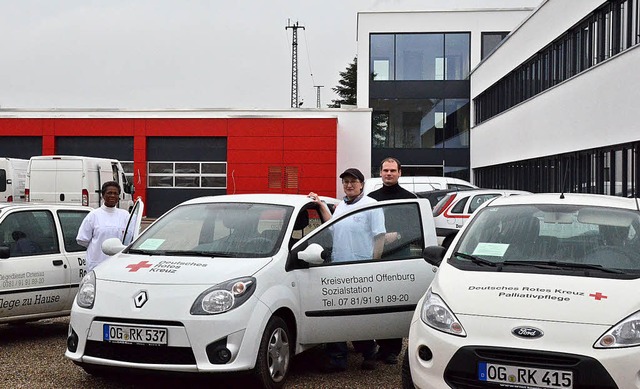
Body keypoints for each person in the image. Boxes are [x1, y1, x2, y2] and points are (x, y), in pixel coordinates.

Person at [309, 167, 386, 372]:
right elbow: (332, 225)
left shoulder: (371, 205)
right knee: (337, 313)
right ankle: (337, 358)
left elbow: (379, 237)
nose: (349, 185)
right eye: (345, 182)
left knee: (359, 315)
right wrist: (320, 204)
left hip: (361, 267)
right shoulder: (342, 205)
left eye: (353, 181)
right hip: (339, 266)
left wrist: (373, 265)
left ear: (361, 184)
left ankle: (369, 352)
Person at [367, 157, 417, 366]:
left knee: (393, 301)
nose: (389, 174)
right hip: (374, 254)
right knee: (375, 302)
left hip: (399, 254)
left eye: (392, 170)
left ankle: (392, 350)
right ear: (380, 172)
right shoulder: (370, 198)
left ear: (400, 172)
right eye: (385, 170)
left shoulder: (409, 198)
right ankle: (379, 345)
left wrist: (396, 236)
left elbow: (416, 229)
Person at [76, 181, 130, 272]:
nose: (112, 196)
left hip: (119, 265)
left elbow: (130, 239)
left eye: (115, 193)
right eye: (109, 193)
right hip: (97, 264)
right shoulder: (93, 215)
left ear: (119, 197)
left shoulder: (125, 216)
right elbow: (82, 240)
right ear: (103, 195)